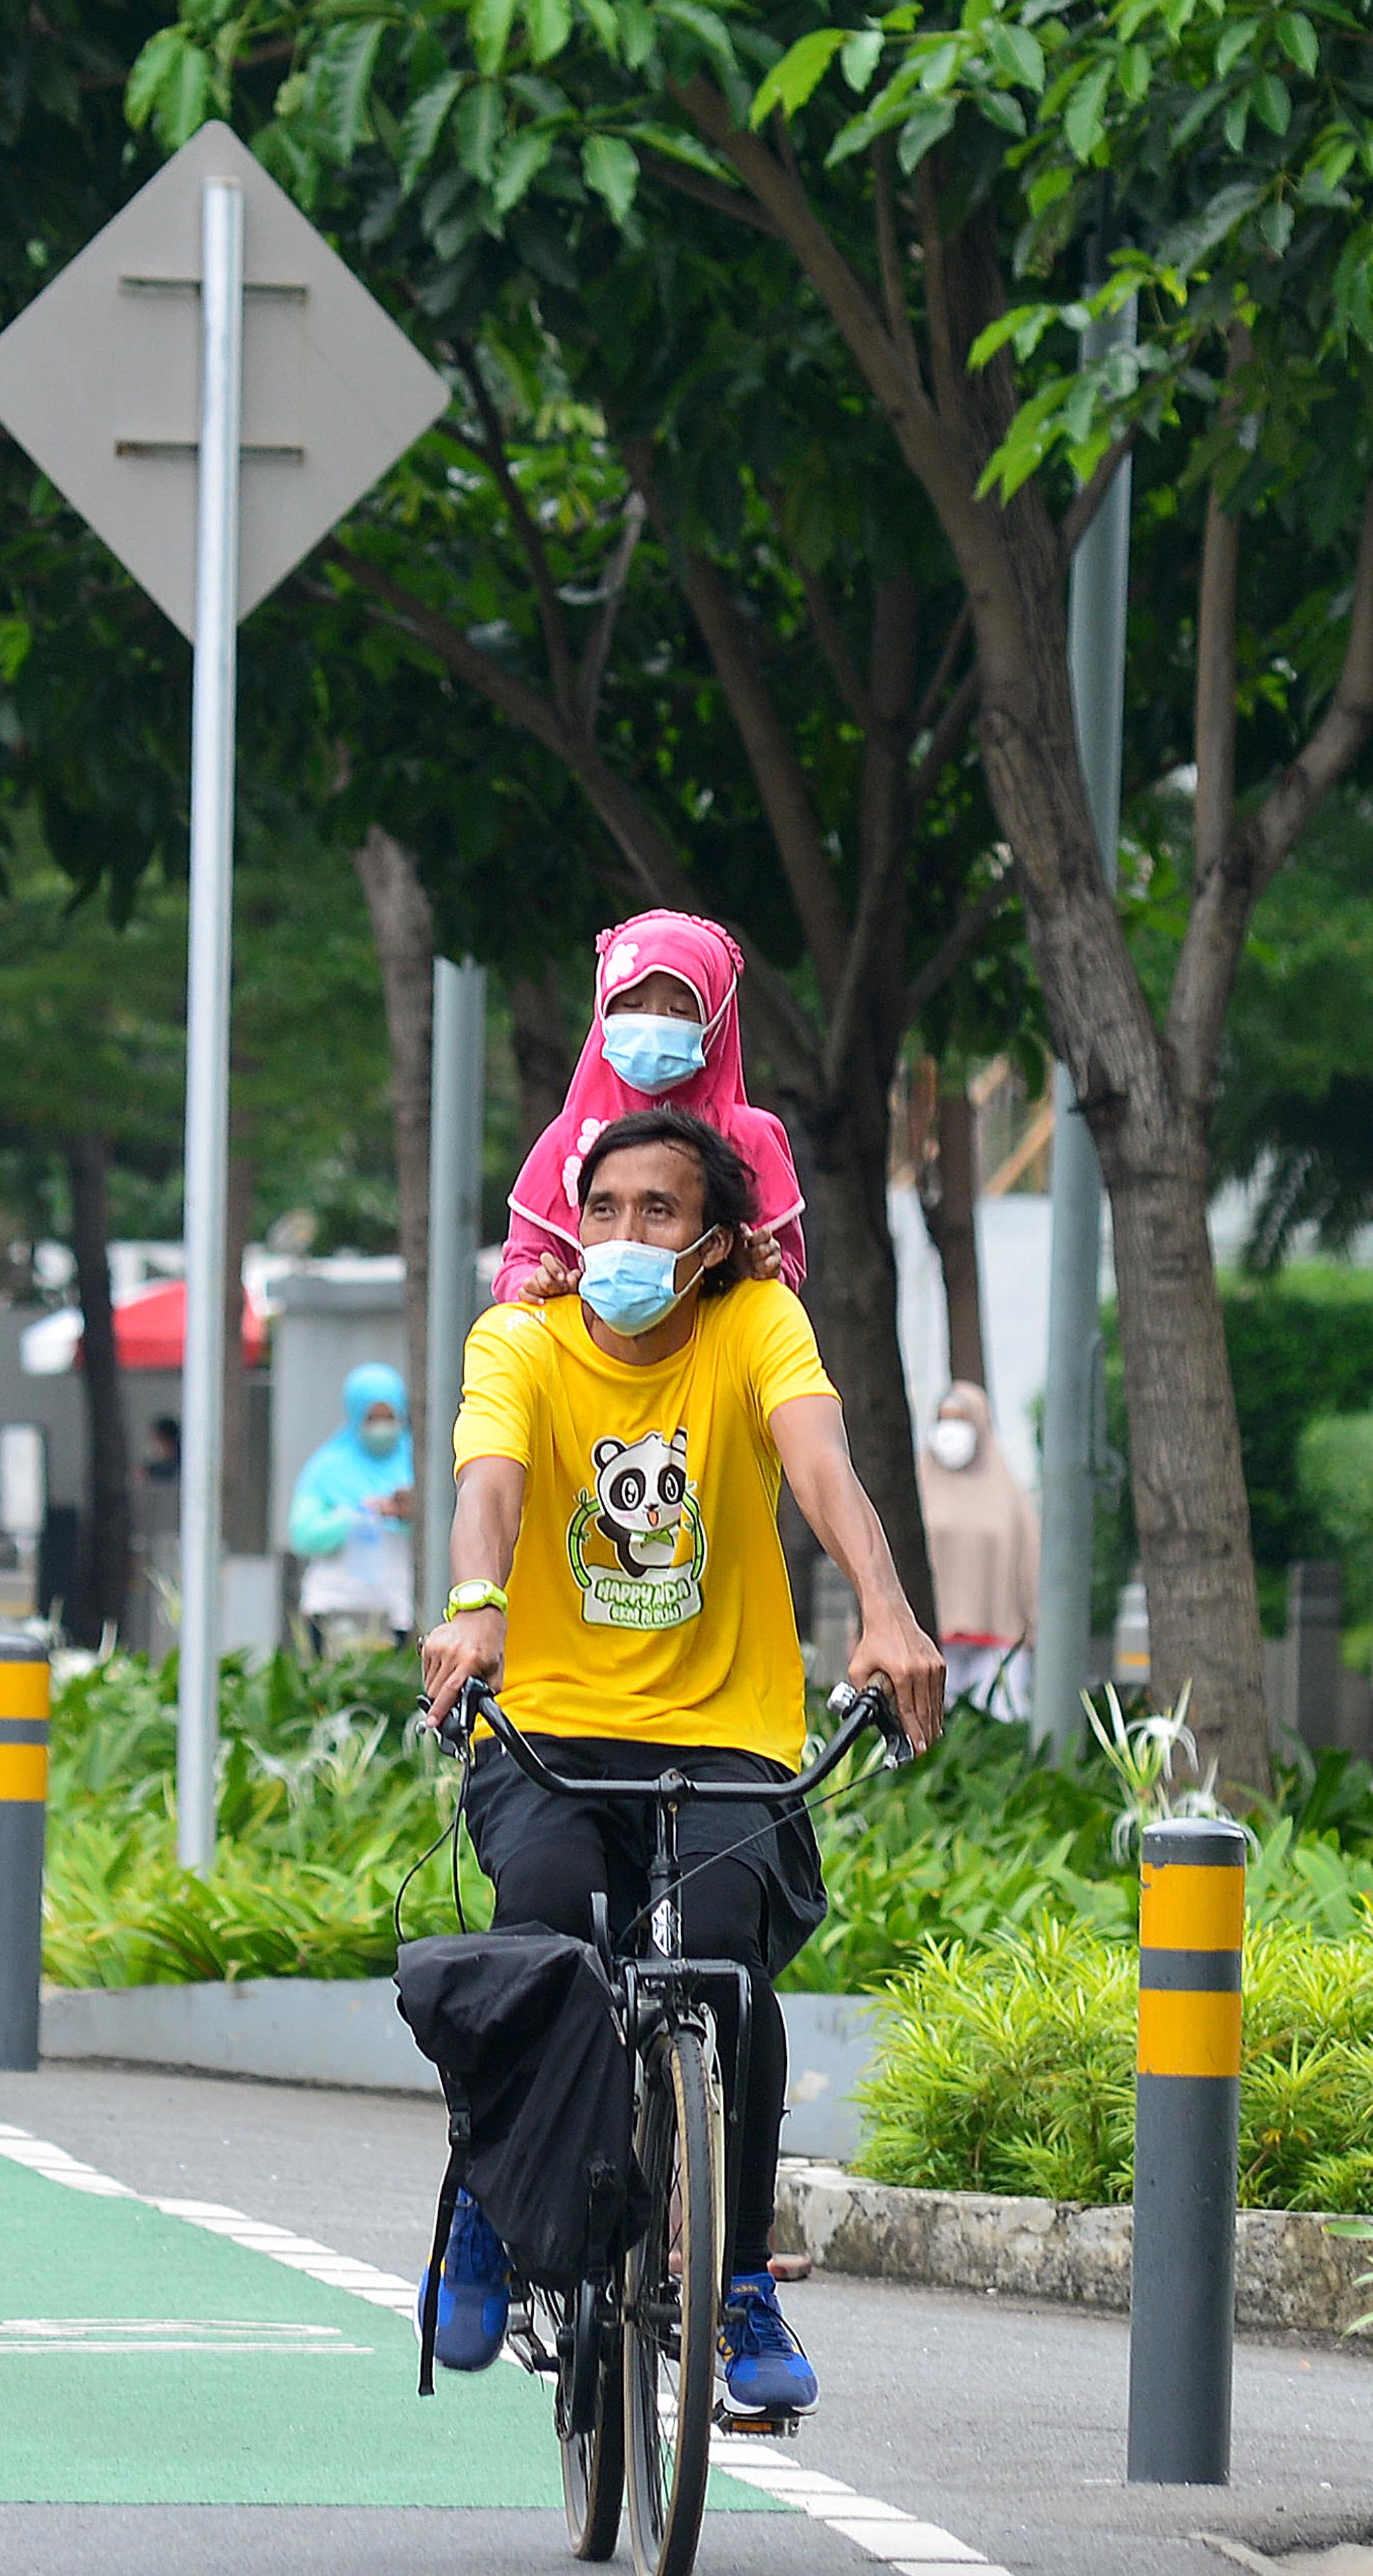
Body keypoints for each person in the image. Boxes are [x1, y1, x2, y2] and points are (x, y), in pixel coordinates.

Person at [417, 1107, 945, 2419]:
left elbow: (818, 1462)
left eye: (657, 1211)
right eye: (601, 1208)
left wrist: (883, 1608)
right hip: (542, 1717)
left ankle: (732, 2278)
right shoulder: (518, 1339)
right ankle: (491, 2198)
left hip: (727, 1733)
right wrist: (475, 1595)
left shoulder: (754, 1328)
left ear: (713, 1245)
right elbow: (487, 1475)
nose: (621, 1235)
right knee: (538, 1927)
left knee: (721, 1960)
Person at [493, 914, 809, 1304]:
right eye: (631, 1006)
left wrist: (761, 1270)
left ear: (717, 1020)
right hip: (587, 1358)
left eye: (678, 1011)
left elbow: (786, 1268)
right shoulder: (566, 1140)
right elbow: (520, 1263)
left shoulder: (751, 1139)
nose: (652, 1023)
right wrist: (536, 1283)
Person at [918, 1383, 1039, 1720]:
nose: (950, 1430)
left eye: (961, 1420)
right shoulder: (920, 1488)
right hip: (931, 1643)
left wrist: (1036, 1626)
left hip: (998, 1643)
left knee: (997, 1731)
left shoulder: (1008, 1495)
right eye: (944, 1420)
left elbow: (1031, 1565)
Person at [288, 1363, 419, 1653]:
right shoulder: (327, 1468)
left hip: (396, 1609)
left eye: (389, 1417)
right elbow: (302, 1534)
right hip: (334, 1608)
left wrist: (405, 1514)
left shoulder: (416, 1462)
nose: (382, 1427)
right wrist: (354, 1517)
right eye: (373, 1418)